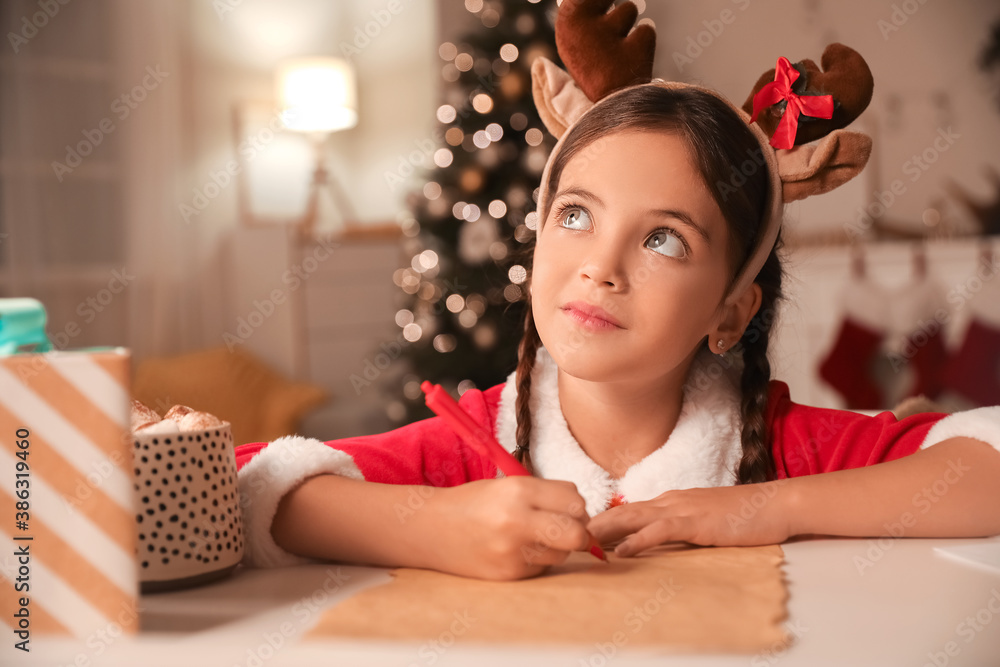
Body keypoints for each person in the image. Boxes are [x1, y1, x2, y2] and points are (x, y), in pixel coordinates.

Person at [234, 7, 1000, 582]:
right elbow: (245, 482)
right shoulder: (471, 448)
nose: (600, 267)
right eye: (576, 216)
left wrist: (760, 508)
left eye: (663, 237)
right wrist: (427, 524)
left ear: (730, 310)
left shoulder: (783, 449)